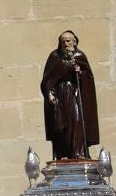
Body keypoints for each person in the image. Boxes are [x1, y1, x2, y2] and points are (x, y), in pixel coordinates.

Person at [40, 29, 99, 161]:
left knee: (77, 120)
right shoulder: (55, 56)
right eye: (63, 41)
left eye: (68, 40)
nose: (66, 43)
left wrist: (80, 73)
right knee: (61, 126)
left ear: (74, 41)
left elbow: (89, 77)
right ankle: (62, 154)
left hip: (75, 95)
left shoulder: (80, 56)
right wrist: (49, 94)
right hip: (60, 95)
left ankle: (78, 153)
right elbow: (47, 80)